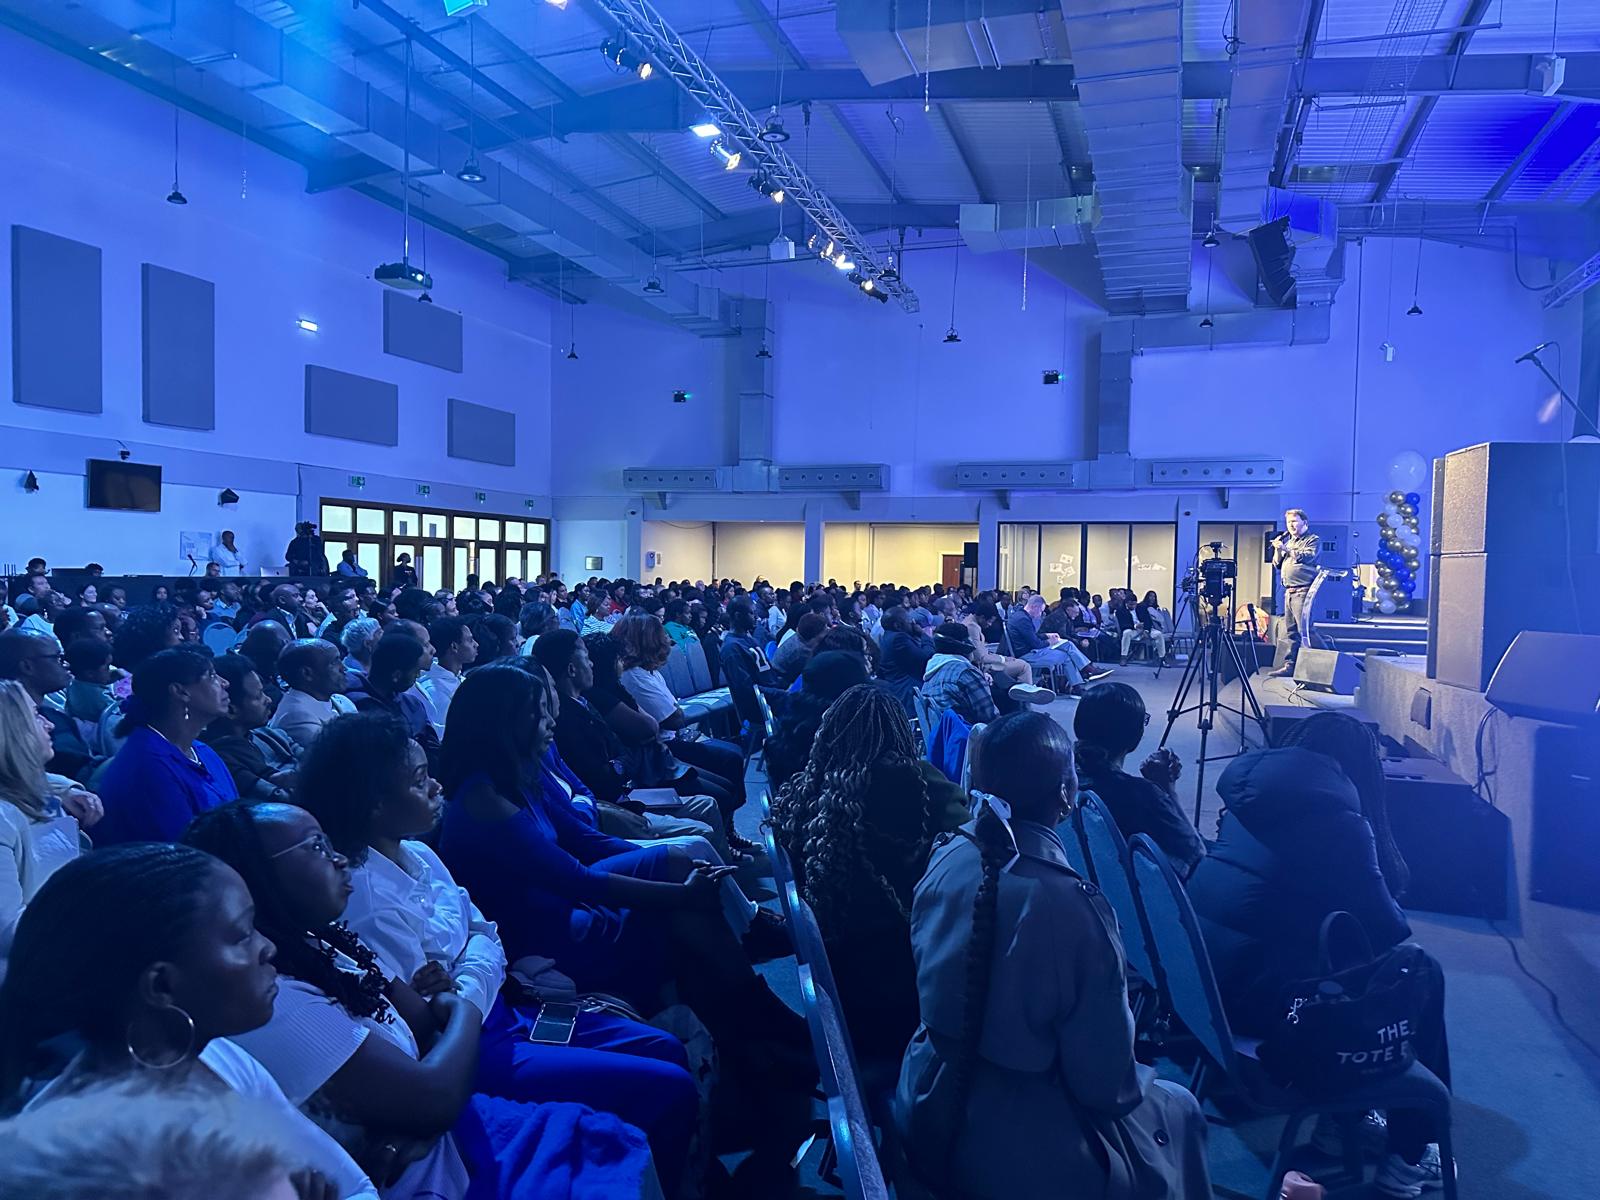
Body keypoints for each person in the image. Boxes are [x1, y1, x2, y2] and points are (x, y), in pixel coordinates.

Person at [435, 663, 815, 1192]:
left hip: (565, 903)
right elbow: (576, 880)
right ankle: (756, 1030)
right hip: (547, 933)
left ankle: (752, 1035)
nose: (549, 721)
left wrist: (660, 858)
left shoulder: (517, 773)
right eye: (538, 713)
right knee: (683, 914)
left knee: (680, 867)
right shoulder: (482, 800)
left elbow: (586, 842)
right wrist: (677, 893)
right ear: (505, 723)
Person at [295, 713, 699, 1196]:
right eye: (419, 780)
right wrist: (474, 962)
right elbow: (431, 1016)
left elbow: (485, 933)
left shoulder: (420, 854)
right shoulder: (363, 900)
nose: (436, 786)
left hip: (503, 1011)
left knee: (665, 1048)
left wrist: (466, 971)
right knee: (667, 1087)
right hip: (472, 1052)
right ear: (375, 805)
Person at [183, 803, 661, 1199]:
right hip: (434, 1173)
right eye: (316, 847)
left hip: (448, 1123)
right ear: (259, 879)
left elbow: (428, 1023)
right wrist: (464, 1010)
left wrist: (422, 1104)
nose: (340, 859)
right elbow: (434, 1089)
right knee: (632, 1125)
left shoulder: (325, 942)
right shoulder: (275, 1000)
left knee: (639, 1097)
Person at [894, 712, 1212, 1199]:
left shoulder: (947, 854)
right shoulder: (1072, 907)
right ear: (1065, 795)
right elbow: (1107, 1087)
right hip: (1015, 1142)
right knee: (1181, 1107)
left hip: (926, 1095)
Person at [0, 844, 380, 1199]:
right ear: (162, 986)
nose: (268, 947)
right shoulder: (83, 1166)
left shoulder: (218, 1058)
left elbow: (357, 1186)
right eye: (242, 935)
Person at [1186, 711, 1447, 1195]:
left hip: (1205, 989)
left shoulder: (1245, 800)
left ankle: (1345, 1121)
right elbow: (1387, 929)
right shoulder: (1342, 824)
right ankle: (1409, 1154)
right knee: (1417, 974)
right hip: (1266, 1011)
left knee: (1347, 958)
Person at [768, 684, 965, 1068]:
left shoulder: (808, 791)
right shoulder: (921, 785)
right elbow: (972, 848)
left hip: (847, 987)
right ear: (900, 732)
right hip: (907, 990)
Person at [533, 631, 735, 857]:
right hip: (618, 803)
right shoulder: (567, 721)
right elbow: (603, 775)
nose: (591, 664)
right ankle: (724, 871)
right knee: (704, 825)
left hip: (629, 788)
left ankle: (728, 858)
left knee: (713, 796)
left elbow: (622, 751)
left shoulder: (585, 702)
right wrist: (620, 766)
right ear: (571, 669)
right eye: (586, 657)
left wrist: (619, 764)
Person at [612, 615, 749, 829]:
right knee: (729, 761)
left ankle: (727, 826)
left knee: (734, 754)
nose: (667, 639)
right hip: (662, 748)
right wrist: (675, 709)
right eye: (661, 635)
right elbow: (674, 719)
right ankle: (725, 829)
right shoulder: (634, 677)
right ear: (648, 641)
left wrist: (675, 710)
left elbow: (675, 713)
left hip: (673, 738)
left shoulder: (649, 672)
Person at [0, 681, 102, 967]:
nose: (50, 725)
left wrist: (67, 788)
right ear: (10, 730)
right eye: (36, 715)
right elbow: (7, 931)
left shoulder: (30, 789)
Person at [94, 647, 237, 844]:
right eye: (212, 676)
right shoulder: (149, 767)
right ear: (181, 691)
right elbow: (184, 851)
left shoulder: (202, 751)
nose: (225, 683)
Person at [1072, 682, 1203, 877]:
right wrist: (1167, 790)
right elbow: (1197, 856)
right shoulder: (1142, 795)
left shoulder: (1061, 774)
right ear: (1134, 735)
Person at [0, 631, 100, 782]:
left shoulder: (53, 716)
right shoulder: (11, 731)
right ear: (27, 667)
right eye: (58, 658)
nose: (66, 664)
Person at [205, 655, 298, 803]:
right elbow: (279, 799)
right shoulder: (219, 759)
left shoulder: (271, 735)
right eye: (259, 696)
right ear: (231, 710)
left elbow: (317, 761)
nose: (269, 700)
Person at [343, 635, 441, 773]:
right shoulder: (357, 707)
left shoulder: (412, 703)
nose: (418, 676)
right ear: (397, 675)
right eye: (416, 671)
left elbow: (433, 747)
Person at [268, 639, 356, 756]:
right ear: (307, 673)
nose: (343, 668)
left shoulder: (340, 700)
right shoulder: (296, 717)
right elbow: (344, 757)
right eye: (334, 662)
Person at [1007, 593, 1107, 695]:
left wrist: (1047, 635)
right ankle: (1082, 678)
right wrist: (1050, 641)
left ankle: (1082, 678)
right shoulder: (1023, 620)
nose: (1041, 614)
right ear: (1034, 607)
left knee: (1067, 645)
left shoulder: (1021, 616)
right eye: (1041, 611)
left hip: (1029, 650)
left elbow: (1032, 637)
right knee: (1066, 655)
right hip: (1027, 654)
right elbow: (1036, 644)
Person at [1268, 508, 1321, 677]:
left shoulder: (1312, 540)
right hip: (1289, 592)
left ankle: (1324, 664)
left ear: (1304, 522)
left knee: (1305, 630)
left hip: (1303, 591)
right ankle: (1290, 666)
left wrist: (1285, 548)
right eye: (1288, 522)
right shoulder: (1289, 541)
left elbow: (1308, 557)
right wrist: (1278, 549)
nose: (1290, 525)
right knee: (1291, 631)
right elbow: (1276, 564)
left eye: (1294, 521)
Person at [919, 622, 1000, 728]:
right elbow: (991, 718)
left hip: (948, 735)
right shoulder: (965, 672)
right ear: (966, 646)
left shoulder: (932, 673)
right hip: (973, 736)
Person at [417, 616, 476, 737]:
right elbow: (442, 735)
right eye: (470, 640)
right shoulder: (434, 690)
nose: (476, 644)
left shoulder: (459, 678)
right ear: (454, 647)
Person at [876, 605, 934, 714]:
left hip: (898, 689)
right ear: (898, 625)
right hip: (909, 692)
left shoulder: (887, 637)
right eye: (909, 621)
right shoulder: (899, 639)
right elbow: (927, 657)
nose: (913, 623)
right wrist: (925, 636)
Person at [770, 611, 825, 683]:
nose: (827, 631)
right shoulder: (802, 651)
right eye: (824, 631)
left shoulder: (799, 636)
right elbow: (811, 673)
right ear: (814, 637)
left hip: (776, 674)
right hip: (782, 683)